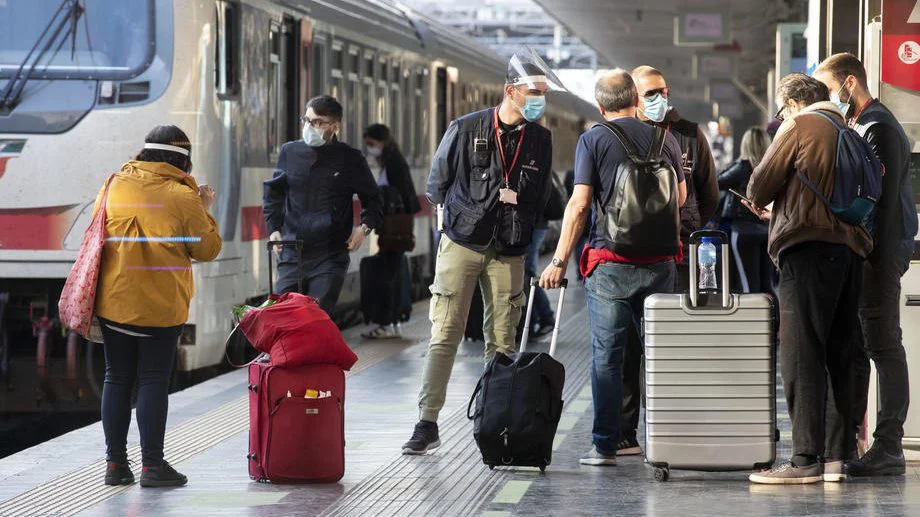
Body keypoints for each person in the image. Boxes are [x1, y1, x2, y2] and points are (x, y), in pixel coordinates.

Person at [402, 49, 560, 455]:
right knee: (445, 334)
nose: (539, 100)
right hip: (462, 242)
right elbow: (436, 185)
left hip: (509, 248)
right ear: (511, 91)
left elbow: (542, 196)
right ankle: (427, 422)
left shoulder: (540, 140)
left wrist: (519, 217)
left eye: (543, 93)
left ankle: (497, 420)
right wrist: (466, 214)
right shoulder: (466, 127)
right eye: (534, 92)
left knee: (503, 340)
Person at [540, 69, 686, 465]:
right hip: (660, 265)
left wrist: (559, 261)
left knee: (608, 356)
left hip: (610, 264)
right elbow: (680, 198)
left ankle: (607, 445)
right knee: (656, 355)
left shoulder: (594, 139)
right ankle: (662, 443)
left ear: (601, 107)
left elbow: (580, 205)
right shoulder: (665, 139)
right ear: (636, 101)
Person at [744, 73, 870, 484]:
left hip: (807, 249)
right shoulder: (848, 130)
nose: (781, 117)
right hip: (850, 250)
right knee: (840, 353)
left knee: (801, 353)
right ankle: (836, 458)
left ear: (794, 103)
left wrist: (770, 205)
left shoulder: (800, 125)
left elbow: (759, 185)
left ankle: (804, 460)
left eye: (782, 111)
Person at [95, 125, 222, 487]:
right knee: (152, 379)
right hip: (160, 306)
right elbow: (206, 249)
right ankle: (152, 466)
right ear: (183, 160)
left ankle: (115, 465)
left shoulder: (114, 184)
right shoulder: (182, 195)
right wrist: (204, 208)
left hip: (115, 301)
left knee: (116, 377)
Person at [815, 52, 918, 477]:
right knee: (867, 344)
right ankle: (862, 441)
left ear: (849, 83)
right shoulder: (861, 124)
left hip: (879, 252)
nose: (825, 98)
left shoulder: (878, 127)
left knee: (883, 345)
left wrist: (863, 246)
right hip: (872, 249)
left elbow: (881, 200)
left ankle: (889, 445)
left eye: (827, 90)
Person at [263, 95, 384, 315]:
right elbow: (274, 194)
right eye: (307, 120)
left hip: (330, 256)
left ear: (334, 127)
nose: (309, 126)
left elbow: (374, 200)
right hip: (292, 253)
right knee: (280, 316)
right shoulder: (290, 152)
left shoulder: (350, 159)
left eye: (317, 122)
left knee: (314, 317)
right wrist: (273, 228)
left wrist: (363, 228)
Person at [632, 65, 719, 289]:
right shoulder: (624, 134)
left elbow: (710, 194)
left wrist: (688, 222)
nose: (660, 98)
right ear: (634, 97)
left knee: (680, 304)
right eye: (651, 93)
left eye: (663, 92)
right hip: (634, 246)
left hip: (682, 247)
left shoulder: (690, 134)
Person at [361, 123, 421, 339]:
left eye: (371, 143)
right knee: (391, 273)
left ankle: (387, 324)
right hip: (395, 231)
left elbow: (402, 195)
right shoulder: (392, 160)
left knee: (388, 276)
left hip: (394, 231)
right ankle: (391, 322)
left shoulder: (394, 162)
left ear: (382, 141)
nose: (370, 148)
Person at [717, 127, 774, 294]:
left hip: (744, 231)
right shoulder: (772, 167)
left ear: (746, 145)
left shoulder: (742, 167)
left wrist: (737, 161)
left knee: (749, 285)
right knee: (767, 285)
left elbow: (718, 181)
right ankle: (773, 311)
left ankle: (753, 312)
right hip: (768, 230)